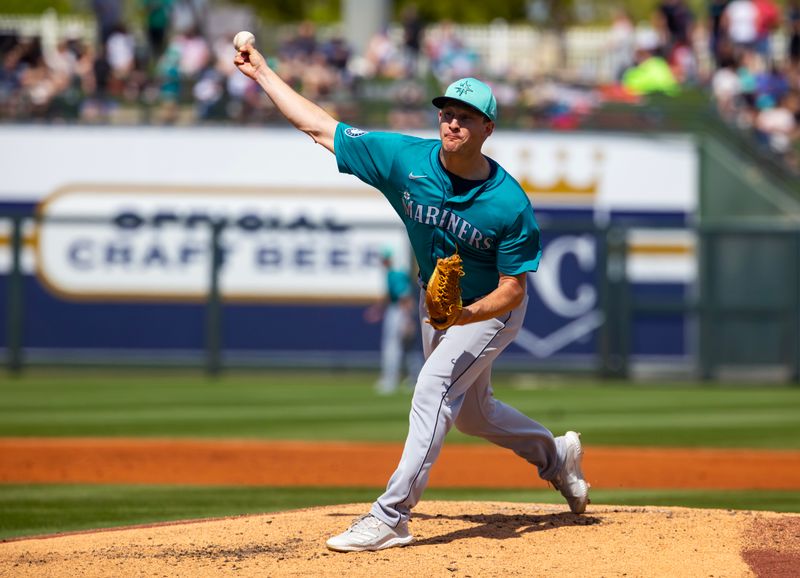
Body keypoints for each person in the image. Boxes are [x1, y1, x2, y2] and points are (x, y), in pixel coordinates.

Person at [234, 42, 590, 553]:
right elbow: (319, 128)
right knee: (474, 414)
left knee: (432, 387)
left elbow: (514, 288)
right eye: (447, 114)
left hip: (489, 308)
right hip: (434, 302)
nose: (453, 124)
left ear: (488, 129)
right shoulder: (404, 159)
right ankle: (555, 457)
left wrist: (465, 314)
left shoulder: (508, 203)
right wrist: (263, 72)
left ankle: (392, 515)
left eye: (467, 117)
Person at [364, 249, 422, 394]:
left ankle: (391, 379)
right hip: (397, 310)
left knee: (393, 346)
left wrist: (408, 319)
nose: (382, 261)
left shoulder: (396, 273)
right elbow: (391, 296)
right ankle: (415, 379)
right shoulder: (393, 273)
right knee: (407, 347)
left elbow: (405, 297)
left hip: (399, 312)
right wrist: (378, 309)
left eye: (384, 258)